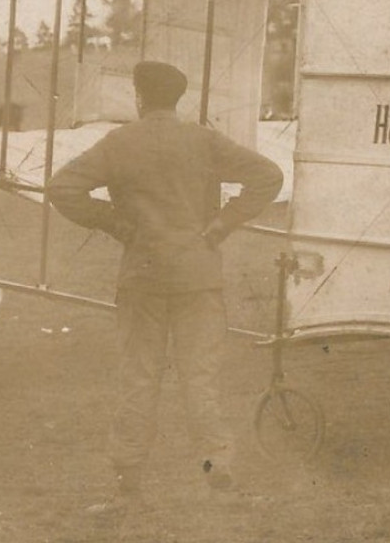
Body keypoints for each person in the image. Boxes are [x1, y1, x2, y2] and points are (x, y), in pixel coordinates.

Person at [48, 61, 284, 513]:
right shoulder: (203, 139)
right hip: (199, 274)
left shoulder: (120, 143)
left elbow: (63, 188)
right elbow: (268, 176)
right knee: (201, 378)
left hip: (144, 273)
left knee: (138, 378)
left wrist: (118, 226)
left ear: (139, 97)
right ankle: (219, 470)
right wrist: (221, 226)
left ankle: (128, 488)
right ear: (177, 99)